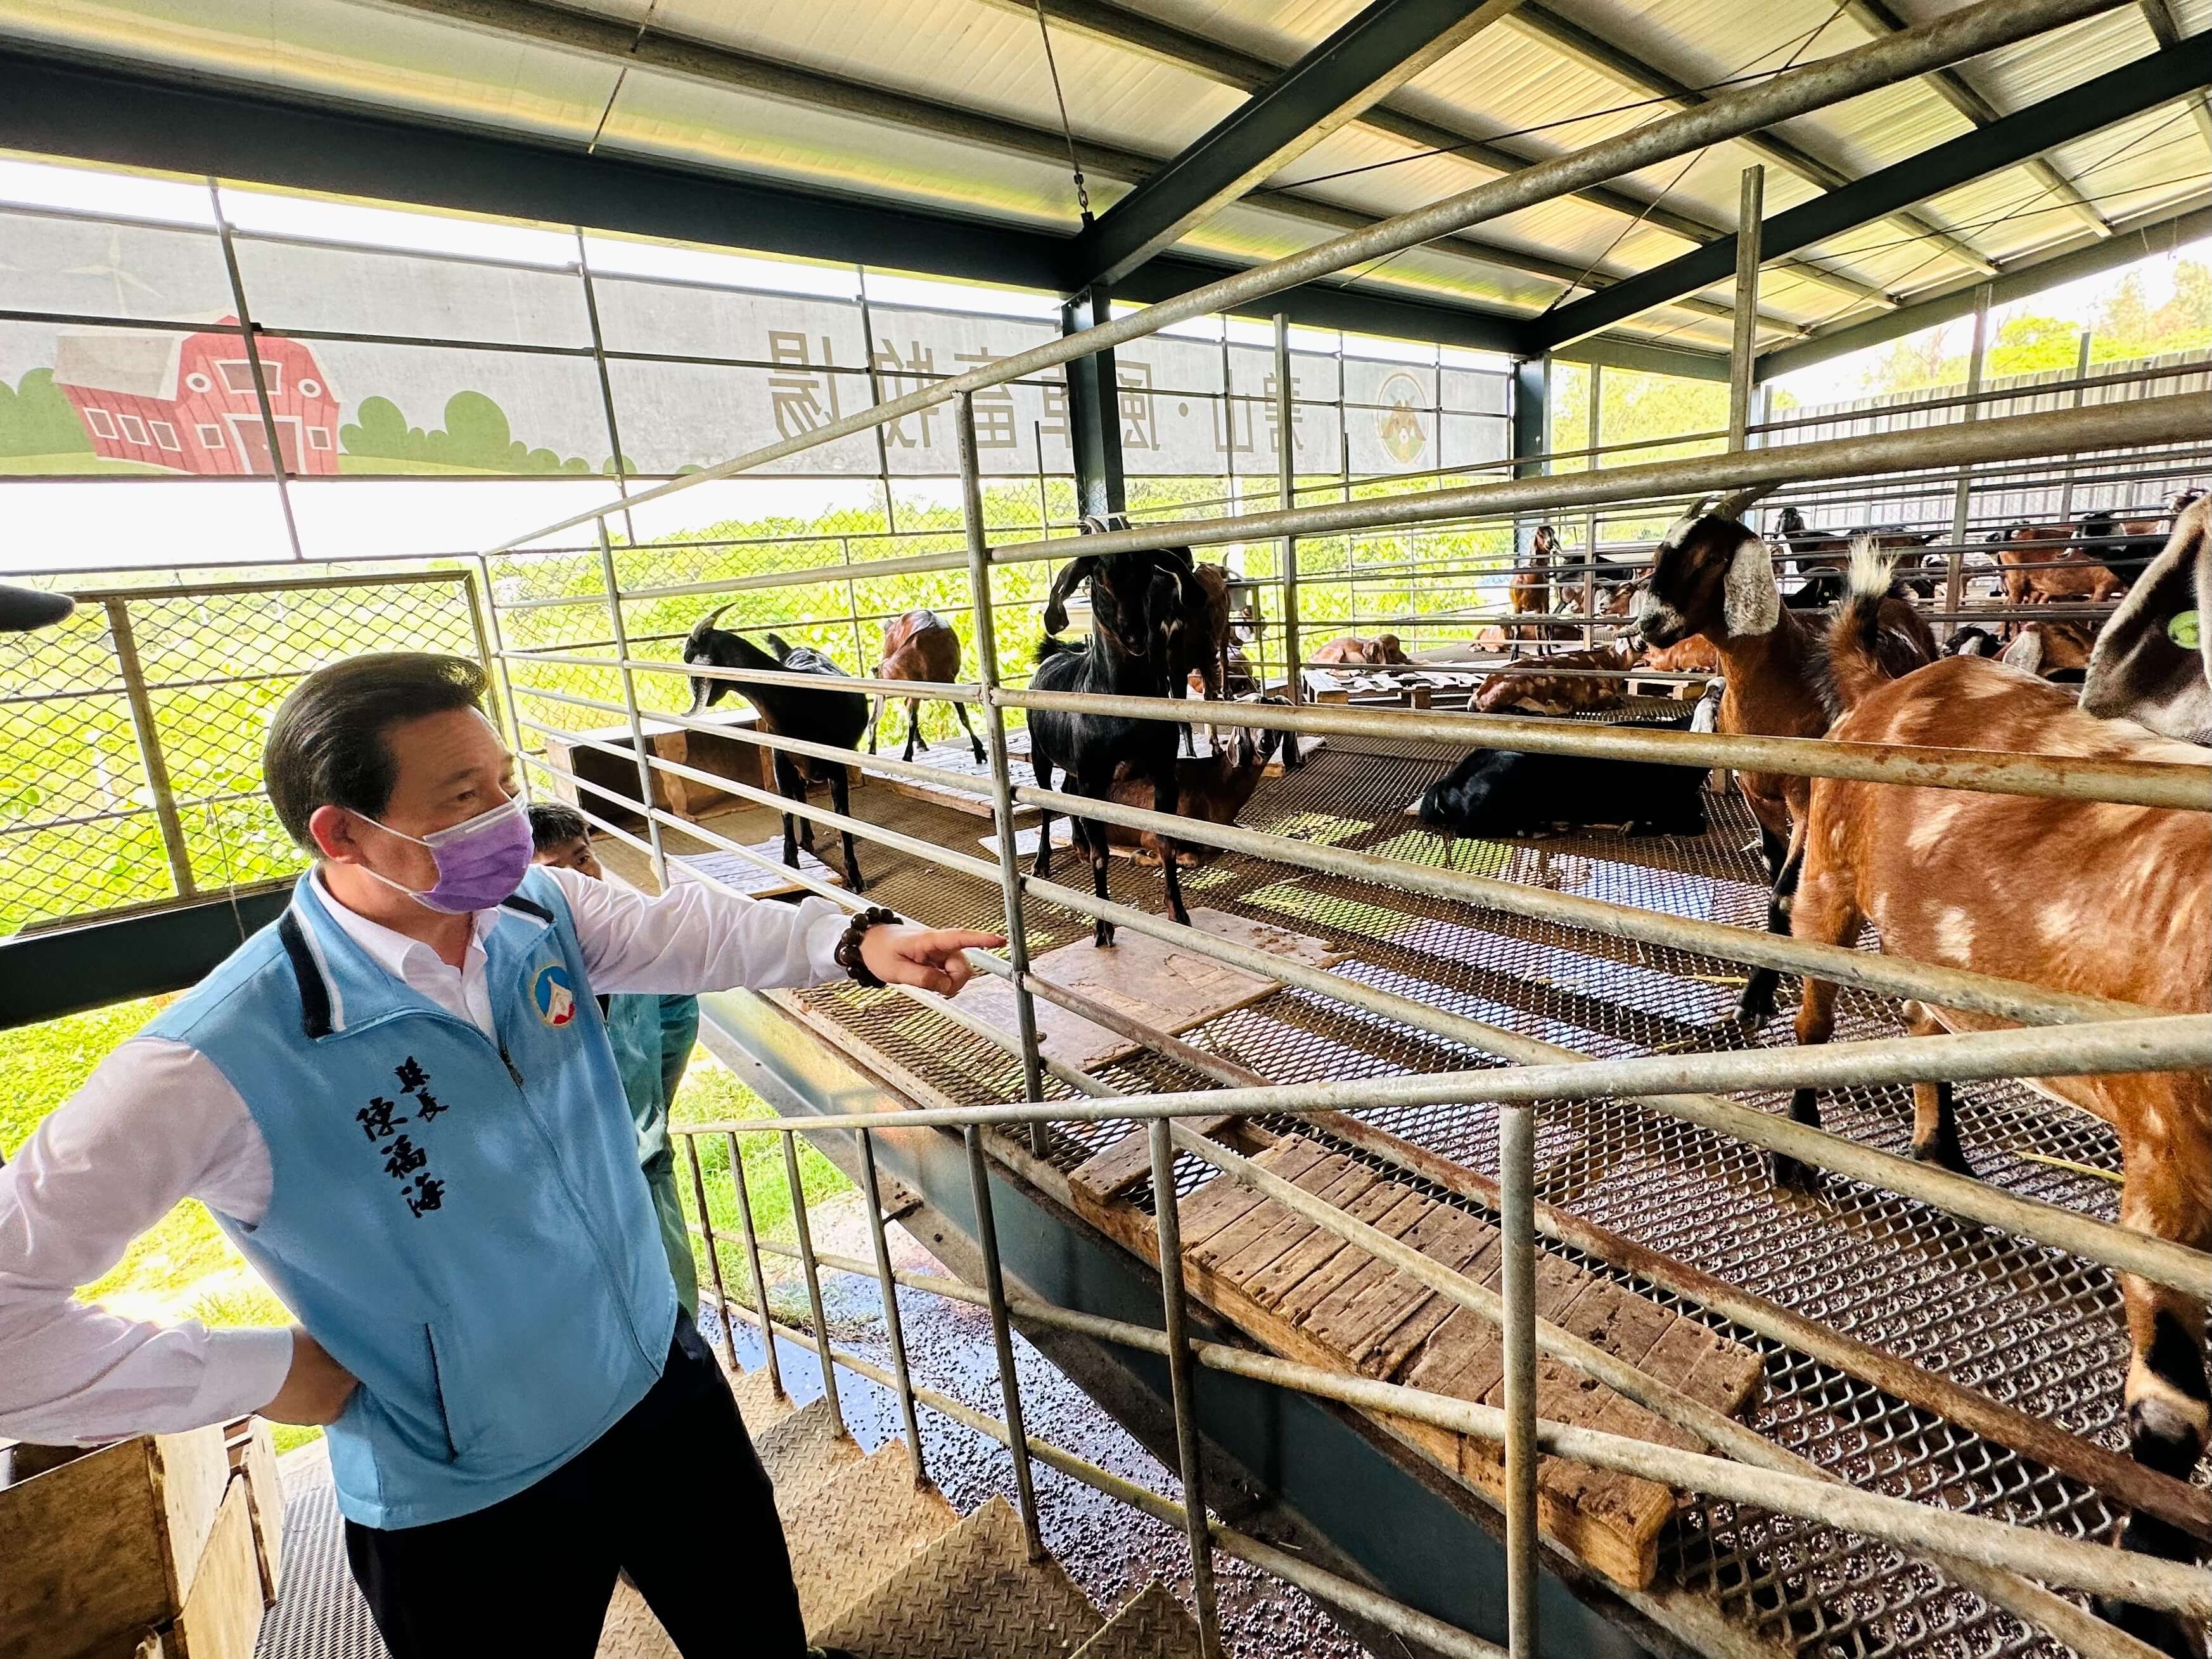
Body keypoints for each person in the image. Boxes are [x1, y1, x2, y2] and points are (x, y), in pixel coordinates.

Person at [0, 653, 1001, 1659]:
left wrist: (853, 939)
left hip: (659, 1386)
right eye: (462, 798)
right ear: (342, 831)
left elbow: (682, 929)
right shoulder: (216, 1057)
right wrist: (258, 1372)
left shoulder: (533, 913)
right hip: (468, 1496)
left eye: (504, 786)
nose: (504, 821)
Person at [528, 802, 702, 1317]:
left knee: (674, 1306)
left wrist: (648, 1108)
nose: (581, 882)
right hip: (566, 1189)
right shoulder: (511, 972)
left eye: (583, 860)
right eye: (553, 874)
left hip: (643, 1161)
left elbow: (676, 1017)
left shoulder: (629, 943)